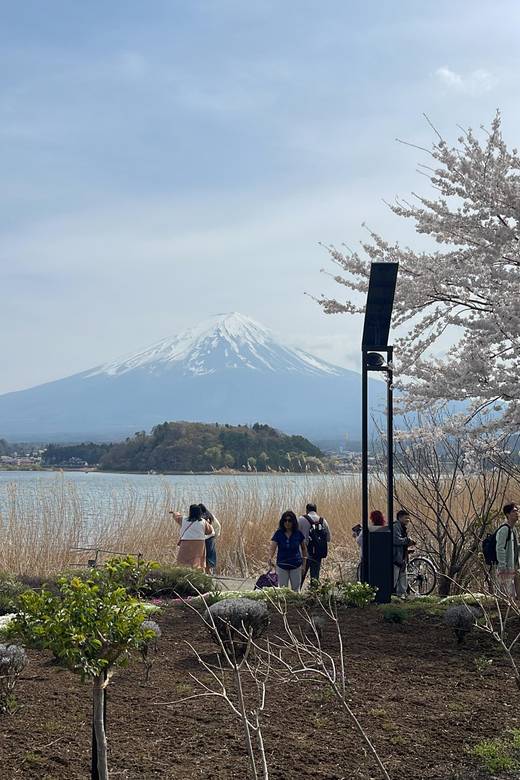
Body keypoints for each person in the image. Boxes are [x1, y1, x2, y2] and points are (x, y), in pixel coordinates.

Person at [269, 511, 307, 591]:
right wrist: (270, 557)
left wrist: (304, 565)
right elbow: (273, 547)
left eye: (289, 521)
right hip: (282, 565)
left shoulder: (298, 533)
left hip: (296, 565)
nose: (287, 523)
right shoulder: (279, 533)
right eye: (285, 521)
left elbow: (304, 548)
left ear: (293, 522)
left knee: (296, 591)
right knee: (282, 591)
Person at [298, 503, 331, 586]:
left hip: (304, 555)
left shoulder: (301, 520)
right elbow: (328, 538)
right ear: (316, 510)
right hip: (317, 554)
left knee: (300, 578)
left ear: (307, 510)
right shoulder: (323, 521)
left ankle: (296, 596)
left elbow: (295, 536)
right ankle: (314, 596)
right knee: (315, 579)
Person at [170, 505, 212, 570]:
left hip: (186, 542)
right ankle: (199, 573)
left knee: (184, 561)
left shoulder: (184, 520)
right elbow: (209, 531)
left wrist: (174, 512)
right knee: (198, 560)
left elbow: (177, 517)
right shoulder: (203, 522)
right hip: (199, 544)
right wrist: (208, 523)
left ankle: (184, 574)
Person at [496, 503, 520, 597]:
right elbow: (500, 548)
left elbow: (515, 547)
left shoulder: (513, 529)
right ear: (507, 514)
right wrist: (503, 566)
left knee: (515, 594)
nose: (517, 513)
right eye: (514, 511)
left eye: (517, 510)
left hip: (513, 566)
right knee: (506, 595)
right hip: (505, 568)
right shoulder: (504, 530)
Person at [355, 511, 385, 580]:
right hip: (380, 559)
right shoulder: (384, 530)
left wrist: (357, 535)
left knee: (365, 579)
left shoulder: (366, 530)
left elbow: (359, 542)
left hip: (366, 558)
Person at [393, 509, 414, 597]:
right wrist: (408, 540)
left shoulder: (402, 527)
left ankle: (401, 596)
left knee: (403, 578)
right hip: (396, 557)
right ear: (400, 518)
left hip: (402, 557)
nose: (408, 520)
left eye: (408, 518)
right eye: (406, 518)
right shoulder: (396, 527)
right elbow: (396, 540)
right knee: (394, 578)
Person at [199, 503, 221, 574]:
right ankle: (208, 571)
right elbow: (218, 526)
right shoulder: (211, 516)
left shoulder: (199, 518)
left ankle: (203, 571)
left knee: (202, 555)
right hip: (210, 538)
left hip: (201, 539)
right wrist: (215, 536)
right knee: (210, 555)